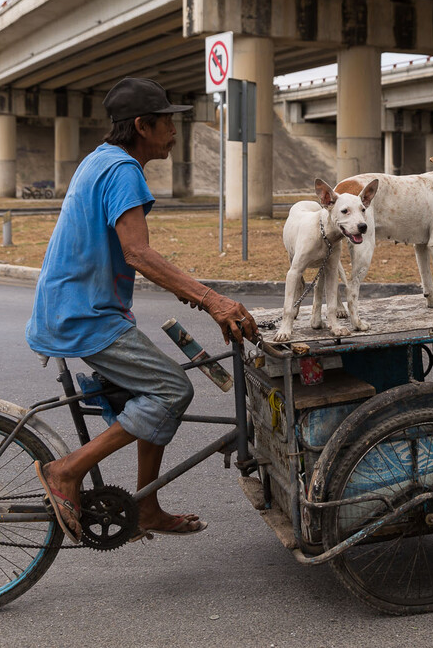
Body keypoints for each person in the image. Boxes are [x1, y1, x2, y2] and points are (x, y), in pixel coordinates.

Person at [27, 76, 259, 543]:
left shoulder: (101, 160)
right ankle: (66, 471)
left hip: (78, 306)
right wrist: (212, 299)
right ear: (142, 126)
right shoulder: (123, 170)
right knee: (171, 389)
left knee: (151, 392)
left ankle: (146, 505)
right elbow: (137, 253)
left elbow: (127, 251)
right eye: (166, 124)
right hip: (84, 315)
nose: (174, 132)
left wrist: (191, 291)